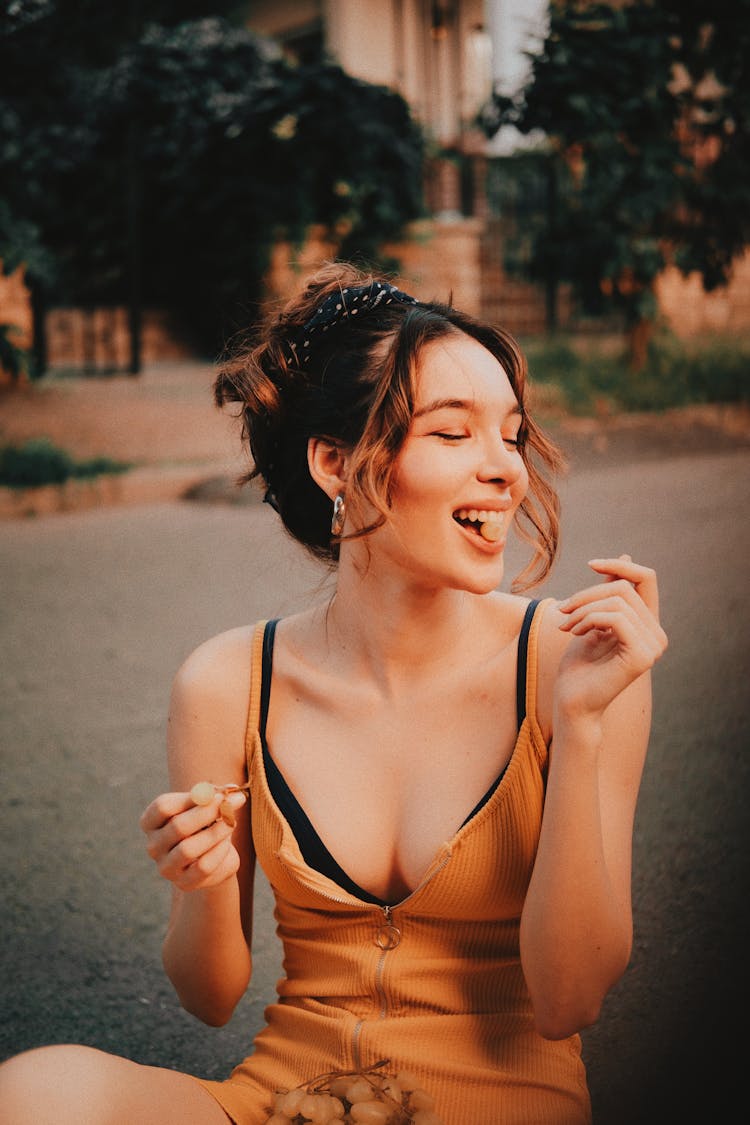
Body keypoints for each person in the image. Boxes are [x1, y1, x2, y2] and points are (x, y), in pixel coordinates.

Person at [0, 262, 667, 1124]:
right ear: (335, 462)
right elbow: (209, 996)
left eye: (511, 433)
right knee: (37, 1092)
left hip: (499, 1103)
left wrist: (577, 727)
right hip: (291, 1101)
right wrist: (201, 879)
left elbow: (569, 999)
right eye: (454, 434)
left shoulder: (578, 666)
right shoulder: (226, 680)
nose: (507, 469)